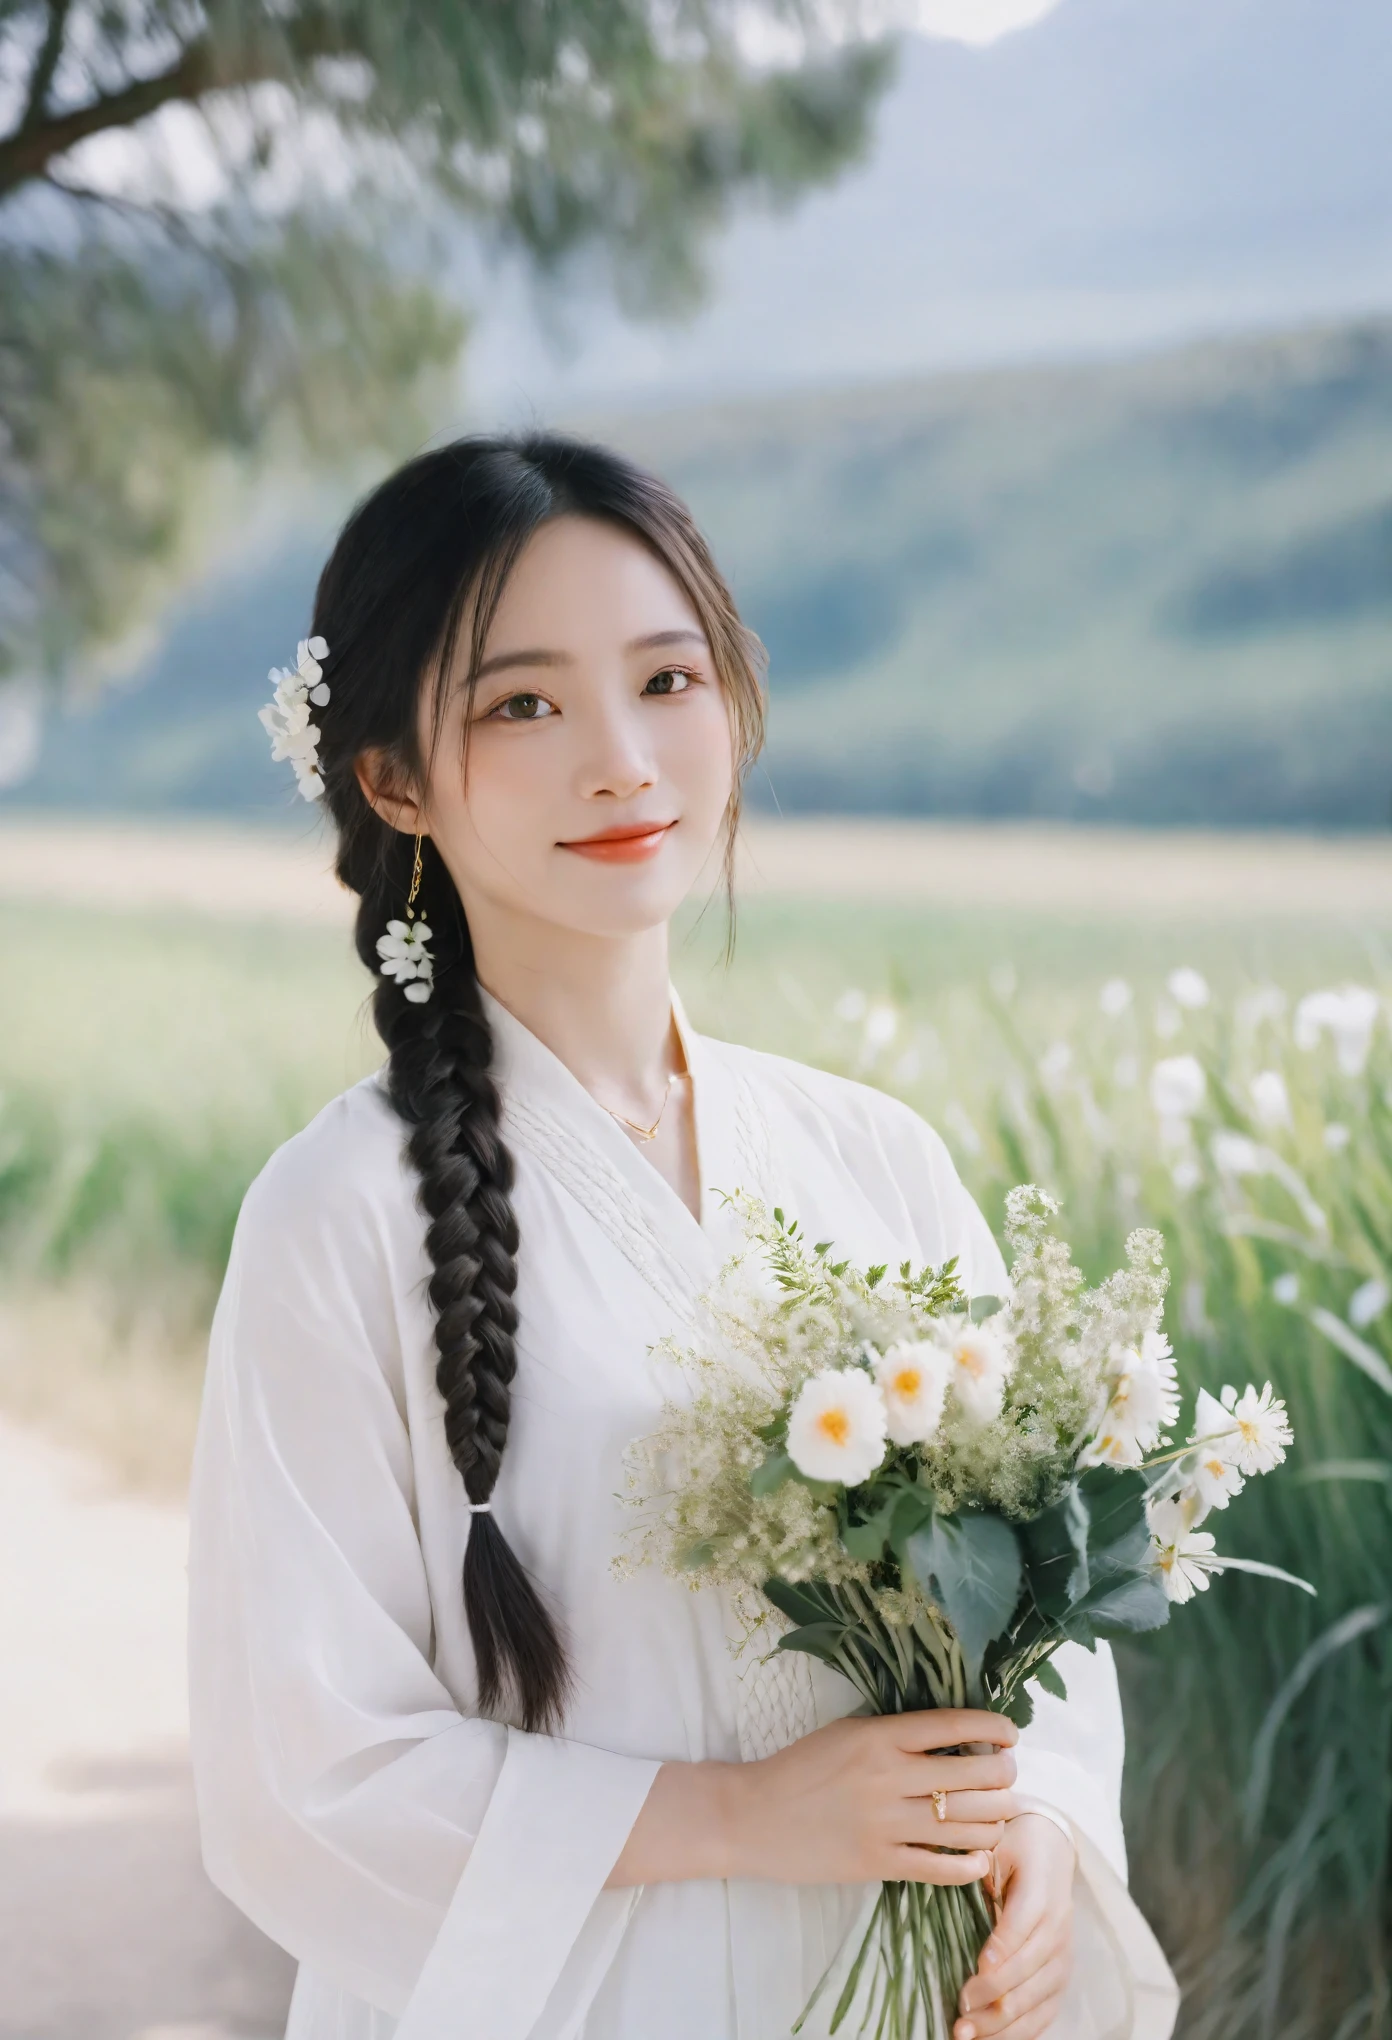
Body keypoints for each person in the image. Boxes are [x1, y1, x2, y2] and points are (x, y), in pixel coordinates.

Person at [188, 432, 1179, 2040]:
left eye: (666, 680)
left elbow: (1034, 1629)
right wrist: (740, 1818)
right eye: (523, 703)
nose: (621, 759)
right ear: (392, 780)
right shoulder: (337, 1216)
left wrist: (1044, 1834)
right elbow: (305, 1775)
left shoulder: (874, 1158)